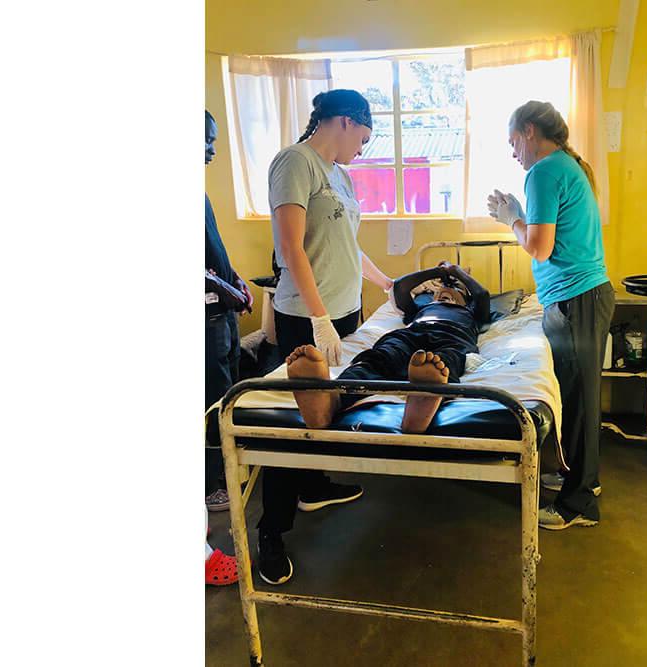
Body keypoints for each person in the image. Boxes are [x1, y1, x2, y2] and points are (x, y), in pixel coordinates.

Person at [257, 89, 394, 584]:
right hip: (307, 320)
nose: (364, 145)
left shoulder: (342, 176)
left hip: (344, 313)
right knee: (292, 423)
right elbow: (290, 245)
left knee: (325, 411)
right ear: (344, 121)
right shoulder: (295, 163)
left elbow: (348, 247)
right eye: (365, 135)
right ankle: (270, 533)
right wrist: (317, 318)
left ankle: (312, 486)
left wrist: (387, 284)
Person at [487, 101, 614, 531]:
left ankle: (579, 504)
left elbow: (538, 247)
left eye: (512, 142)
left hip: (576, 299)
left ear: (528, 131)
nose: (513, 152)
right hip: (583, 297)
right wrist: (519, 215)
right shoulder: (565, 165)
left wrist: (512, 219)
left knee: (577, 402)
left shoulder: (543, 171)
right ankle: (585, 480)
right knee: (580, 397)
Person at [287, 262, 490, 433]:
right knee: (380, 356)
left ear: (466, 298)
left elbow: (483, 294)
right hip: (412, 334)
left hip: (452, 337)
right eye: (440, 291)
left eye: (455, 291)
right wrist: (437, 272)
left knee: (446, 360)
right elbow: (399, 287)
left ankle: (424, 398)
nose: (445, 292)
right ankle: (330, 401)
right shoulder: (420, 308)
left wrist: (456, 272)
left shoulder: (472, 312)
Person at [205, 109, 254, 513]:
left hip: (221, 313)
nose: (212, 150)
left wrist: (234, 279)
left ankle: (226, 466)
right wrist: (224, 290)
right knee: (209, 401)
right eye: (205, 140)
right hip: (204, 318)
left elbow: (212, 251)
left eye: (215, 141)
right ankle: (209, 483)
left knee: (227, 393)